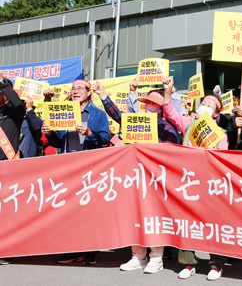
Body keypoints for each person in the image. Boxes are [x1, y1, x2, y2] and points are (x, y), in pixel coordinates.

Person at [91, 82, 176, 273]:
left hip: (154, 180)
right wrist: (104, 95)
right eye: (145, 102)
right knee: (134, 217)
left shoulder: (167, 128)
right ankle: (137, 255)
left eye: (151, 103)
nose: (147, 106)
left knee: (153, 218)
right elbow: (117, 115)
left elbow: (171, 152)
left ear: (161, 109)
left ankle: (156, 257)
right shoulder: (135, 121)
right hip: (134, 177)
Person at [162, 76, 228, 281]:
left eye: (210, 105)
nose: (205, 106)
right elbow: (170, 112)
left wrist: (212, 153)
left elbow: (224, 160)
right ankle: (188, 262)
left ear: (216, 114)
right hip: (188, 181)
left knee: (213, 223)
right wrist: (168, 91)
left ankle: (216, 265)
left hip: (210, 183)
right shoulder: (188, 124)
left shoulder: (221, 133)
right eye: (204, 103)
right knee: (187, 221)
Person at [41, 79, 110, 265]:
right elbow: (57, 141)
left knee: (89, 211)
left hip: (89, 169)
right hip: (67, 168)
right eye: (73, 88)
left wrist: (89, 133)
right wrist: (49, 133)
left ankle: (90, 251)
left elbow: (105, 139)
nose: (75, 91)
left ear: (89, 93)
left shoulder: (97, 114)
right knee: (68, 210)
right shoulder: (65, 111)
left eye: (80, 88)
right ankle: (72, 249)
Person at [0, 74, 26, 265]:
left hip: (8, 165)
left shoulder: (14, 110)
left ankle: (8, 250)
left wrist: (2, 82)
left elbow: (18, 104)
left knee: (7, 211)